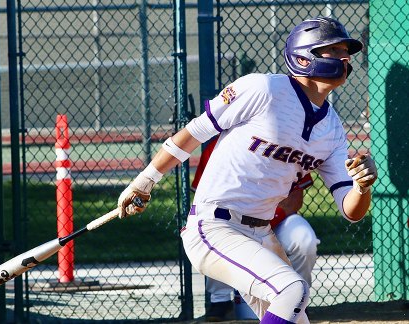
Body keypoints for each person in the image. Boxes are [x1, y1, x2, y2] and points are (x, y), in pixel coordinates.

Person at [117, 17, 378, 324]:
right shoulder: (263, 88)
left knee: (294, 314)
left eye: (346, 50)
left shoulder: (332, 128)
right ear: (304, 55)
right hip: (215, 226)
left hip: (262, 233)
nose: (344, 57)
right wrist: (144, 181)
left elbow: (351, 211)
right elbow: (193, 133)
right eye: (333, 49)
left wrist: (362, 187)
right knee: (293, 289)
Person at [192, 137, 318, 322]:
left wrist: (265, 223)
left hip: (278, 220)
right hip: (231, 224)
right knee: (216, 234)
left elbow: (295, 199)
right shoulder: (216, 147)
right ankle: (219, 301)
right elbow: (206, 200)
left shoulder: (288, 143)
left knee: (304, 239)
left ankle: (297, 302)